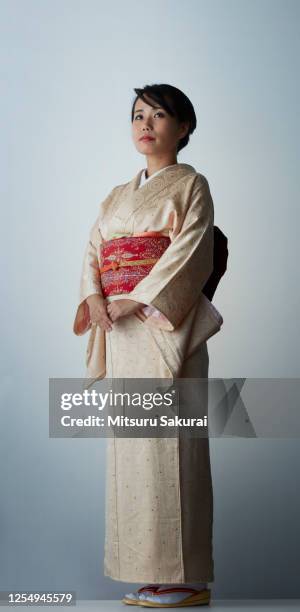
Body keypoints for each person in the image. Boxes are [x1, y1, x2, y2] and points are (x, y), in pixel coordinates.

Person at [73, 84, 224, 608]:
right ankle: (149, 572)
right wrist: (95, 297)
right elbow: (95, 249)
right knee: (133, 456)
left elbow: (191, 252)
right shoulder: (115, 197)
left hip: (165, 329)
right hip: (120, 331)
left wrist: (137, 298)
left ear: (183, 128)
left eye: (159, 115)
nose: (146, 124)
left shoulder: (192, 186)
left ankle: (187, 579)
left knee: (172, 450)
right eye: (138, 115)